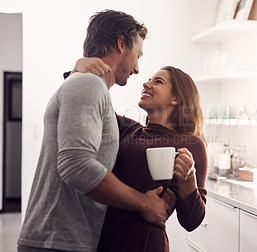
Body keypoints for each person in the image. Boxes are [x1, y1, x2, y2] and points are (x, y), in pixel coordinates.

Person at [18, 10, 169, 252]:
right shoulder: (88, 85)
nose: (138, 69)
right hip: (57, 243)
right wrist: (144, 204)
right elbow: (76, 166)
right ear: (121, 44)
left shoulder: (85, 85)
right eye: (137, 55)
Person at [72, 59, 208, 252]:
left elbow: (192, 221)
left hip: (144, 244)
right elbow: (84, 105)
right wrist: (78, 68)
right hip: (104, 241)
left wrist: (189, 179)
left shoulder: (191, 144)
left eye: (158, 82)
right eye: (148, 80)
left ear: (175, 99)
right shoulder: (128, 129)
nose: (146, 84)